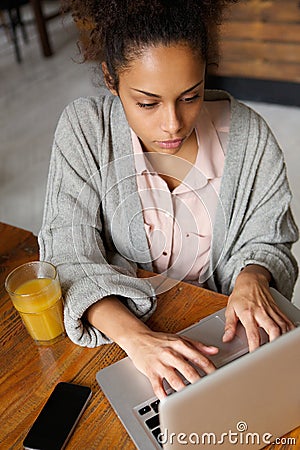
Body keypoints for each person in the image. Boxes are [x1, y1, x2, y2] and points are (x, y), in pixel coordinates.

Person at [39, 0, 298, 399]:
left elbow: (271, 238)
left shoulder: (249, 136)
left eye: (190, 96)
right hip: (123, 342)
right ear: (111, 79)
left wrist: (253, 275)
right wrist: (139, 340)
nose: (172, 123)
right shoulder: (86, 131)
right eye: (147, 103)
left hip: (221, 342)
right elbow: (67, 257)